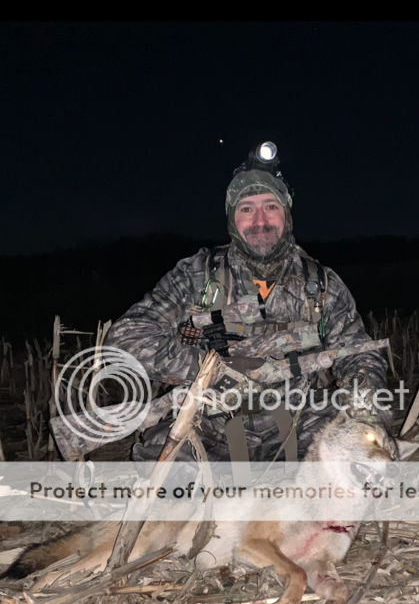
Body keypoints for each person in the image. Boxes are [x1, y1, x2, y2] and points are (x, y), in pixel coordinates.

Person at [107, 144, 389, 463]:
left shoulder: (320, 283)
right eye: (246, 209)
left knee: (356, 460)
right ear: (232, 218)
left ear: (286, 214)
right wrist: (206, 369)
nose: (260, 220)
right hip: (207, 424)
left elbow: (359, 354)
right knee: (165, 478)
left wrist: (364, 412)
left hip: (301, 423)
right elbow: (126, 336)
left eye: (271, 206)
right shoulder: (196, 275)